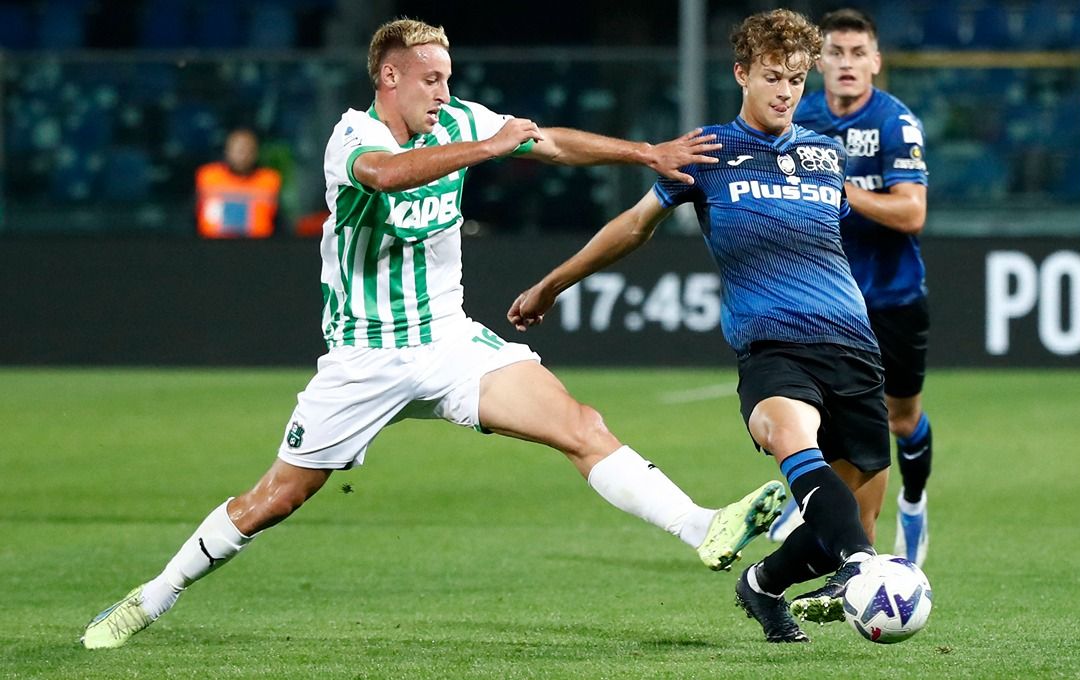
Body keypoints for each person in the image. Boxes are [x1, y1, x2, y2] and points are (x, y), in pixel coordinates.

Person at [81, 17, 787, 650]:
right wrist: (488, 148)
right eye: (431, 79)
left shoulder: (459, 122)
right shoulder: (351, 138)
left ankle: (703, 526)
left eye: (448, 78)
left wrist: (642, 152)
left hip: (448, 342)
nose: (444, 93)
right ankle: (154, 595)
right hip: (364, 357)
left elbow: (543, 142)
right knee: (275, 500)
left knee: (579, 423)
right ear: (389, 77)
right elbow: (386, 176)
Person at [507, 9, 887, 643]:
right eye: (772, 76)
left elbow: (829, 245)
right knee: (793, 440)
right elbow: (633, 227)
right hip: (772, 349)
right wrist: (552, 284)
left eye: (796, 78)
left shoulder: (826, 154)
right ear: (741, 74)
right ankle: (863, 568)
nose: (786, 91)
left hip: (853, 345)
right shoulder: (707, 152)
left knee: (836, 516)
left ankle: (764, 585)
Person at [773, 8, 932, 567]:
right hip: (825, 302)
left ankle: (913, 505)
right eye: (836, 53)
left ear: (875, 62)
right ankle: (820, 508)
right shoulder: (800, 117)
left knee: (901, 419)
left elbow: (912, 212)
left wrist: (839, 187)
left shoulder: (894, 122)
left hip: (890, 296)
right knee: (814, 414)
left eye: (857, 54)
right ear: (819, 63)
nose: (846, 64)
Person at [196, 128, 283, 239]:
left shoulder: (269, 180)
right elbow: (191, 216)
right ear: (227, 151)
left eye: (248, 150)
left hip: (258, 248)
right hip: (212, 247)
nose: (243, 155)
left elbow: (280, 222)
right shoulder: (208, 177)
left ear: (256, 152)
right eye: (239, 150)